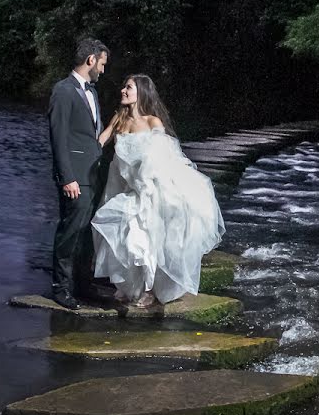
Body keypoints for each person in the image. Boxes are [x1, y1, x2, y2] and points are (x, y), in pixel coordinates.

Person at [91, 74, 225, 308]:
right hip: (126, 186)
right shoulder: (119, 119)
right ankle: (128, 285)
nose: (123, 90)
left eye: (129, 87)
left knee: (150, 236)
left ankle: (151, 290)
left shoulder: (153, 122)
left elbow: (161, 156)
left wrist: (147, 179)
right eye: (123, 86)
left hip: (151, 187)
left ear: (141, 92)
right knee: (126, 234)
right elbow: (101, 140)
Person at [48, 38, 110, 310]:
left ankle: (83, 285)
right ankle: (61, 289)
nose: (103, 71)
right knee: (70, 231)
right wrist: (67, 178)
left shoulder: (92, 92)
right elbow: (58, 137)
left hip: (93, 174)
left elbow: (94, 136)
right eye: (103, 64)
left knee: (87, 233)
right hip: (75, 177)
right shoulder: (63, 91)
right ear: (91, 60)